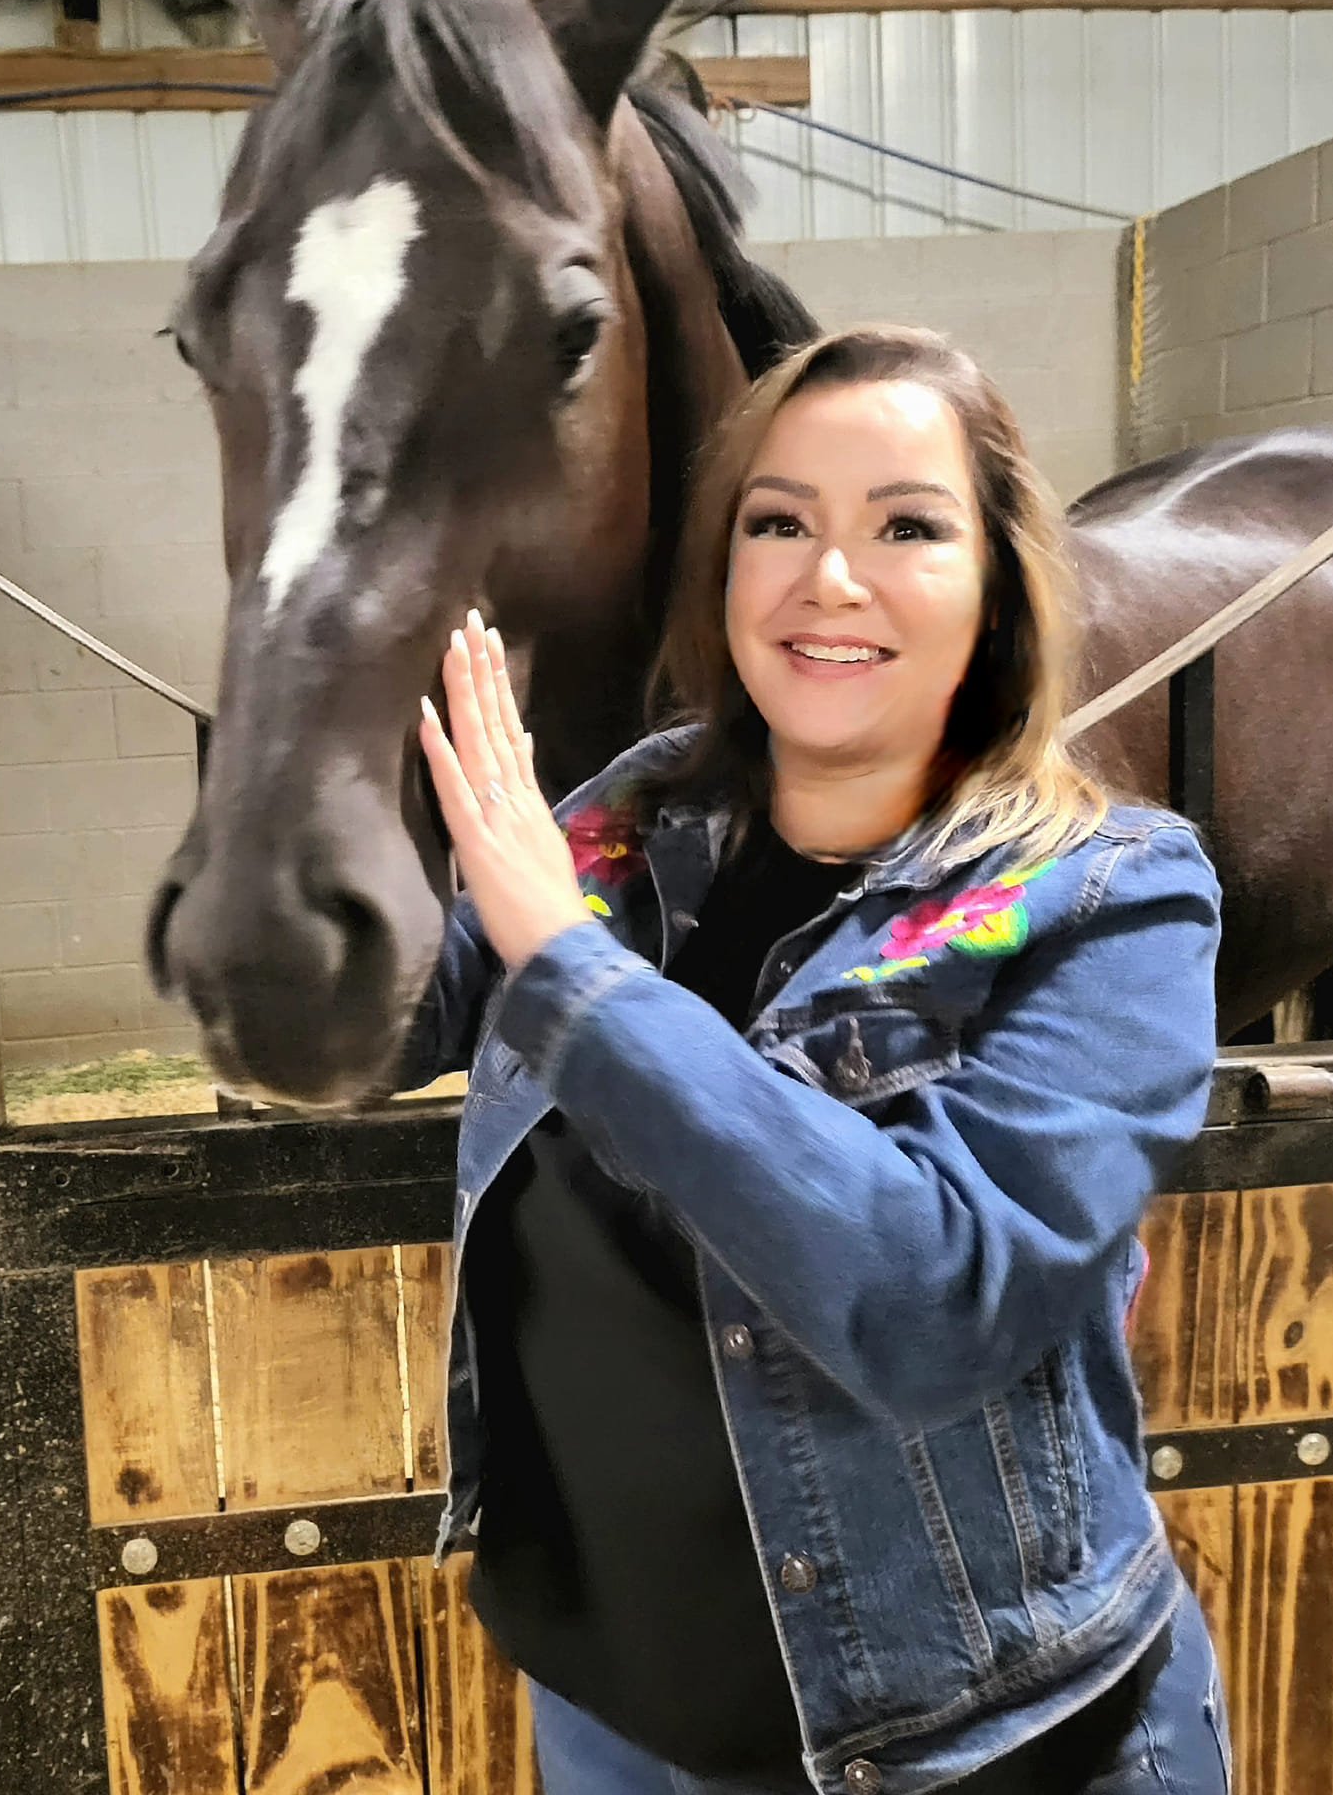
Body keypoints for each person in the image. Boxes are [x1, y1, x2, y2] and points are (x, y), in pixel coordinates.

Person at [408, 324, 1229, 1795]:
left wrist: (573, 973)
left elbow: (937, 1301)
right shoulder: (629, 819)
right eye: (778, 523)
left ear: (998, 587)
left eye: (906, 528)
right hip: (609, 1714)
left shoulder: (1111, 895)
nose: (828, 578)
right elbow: (381, 1021)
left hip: (974, 1744)